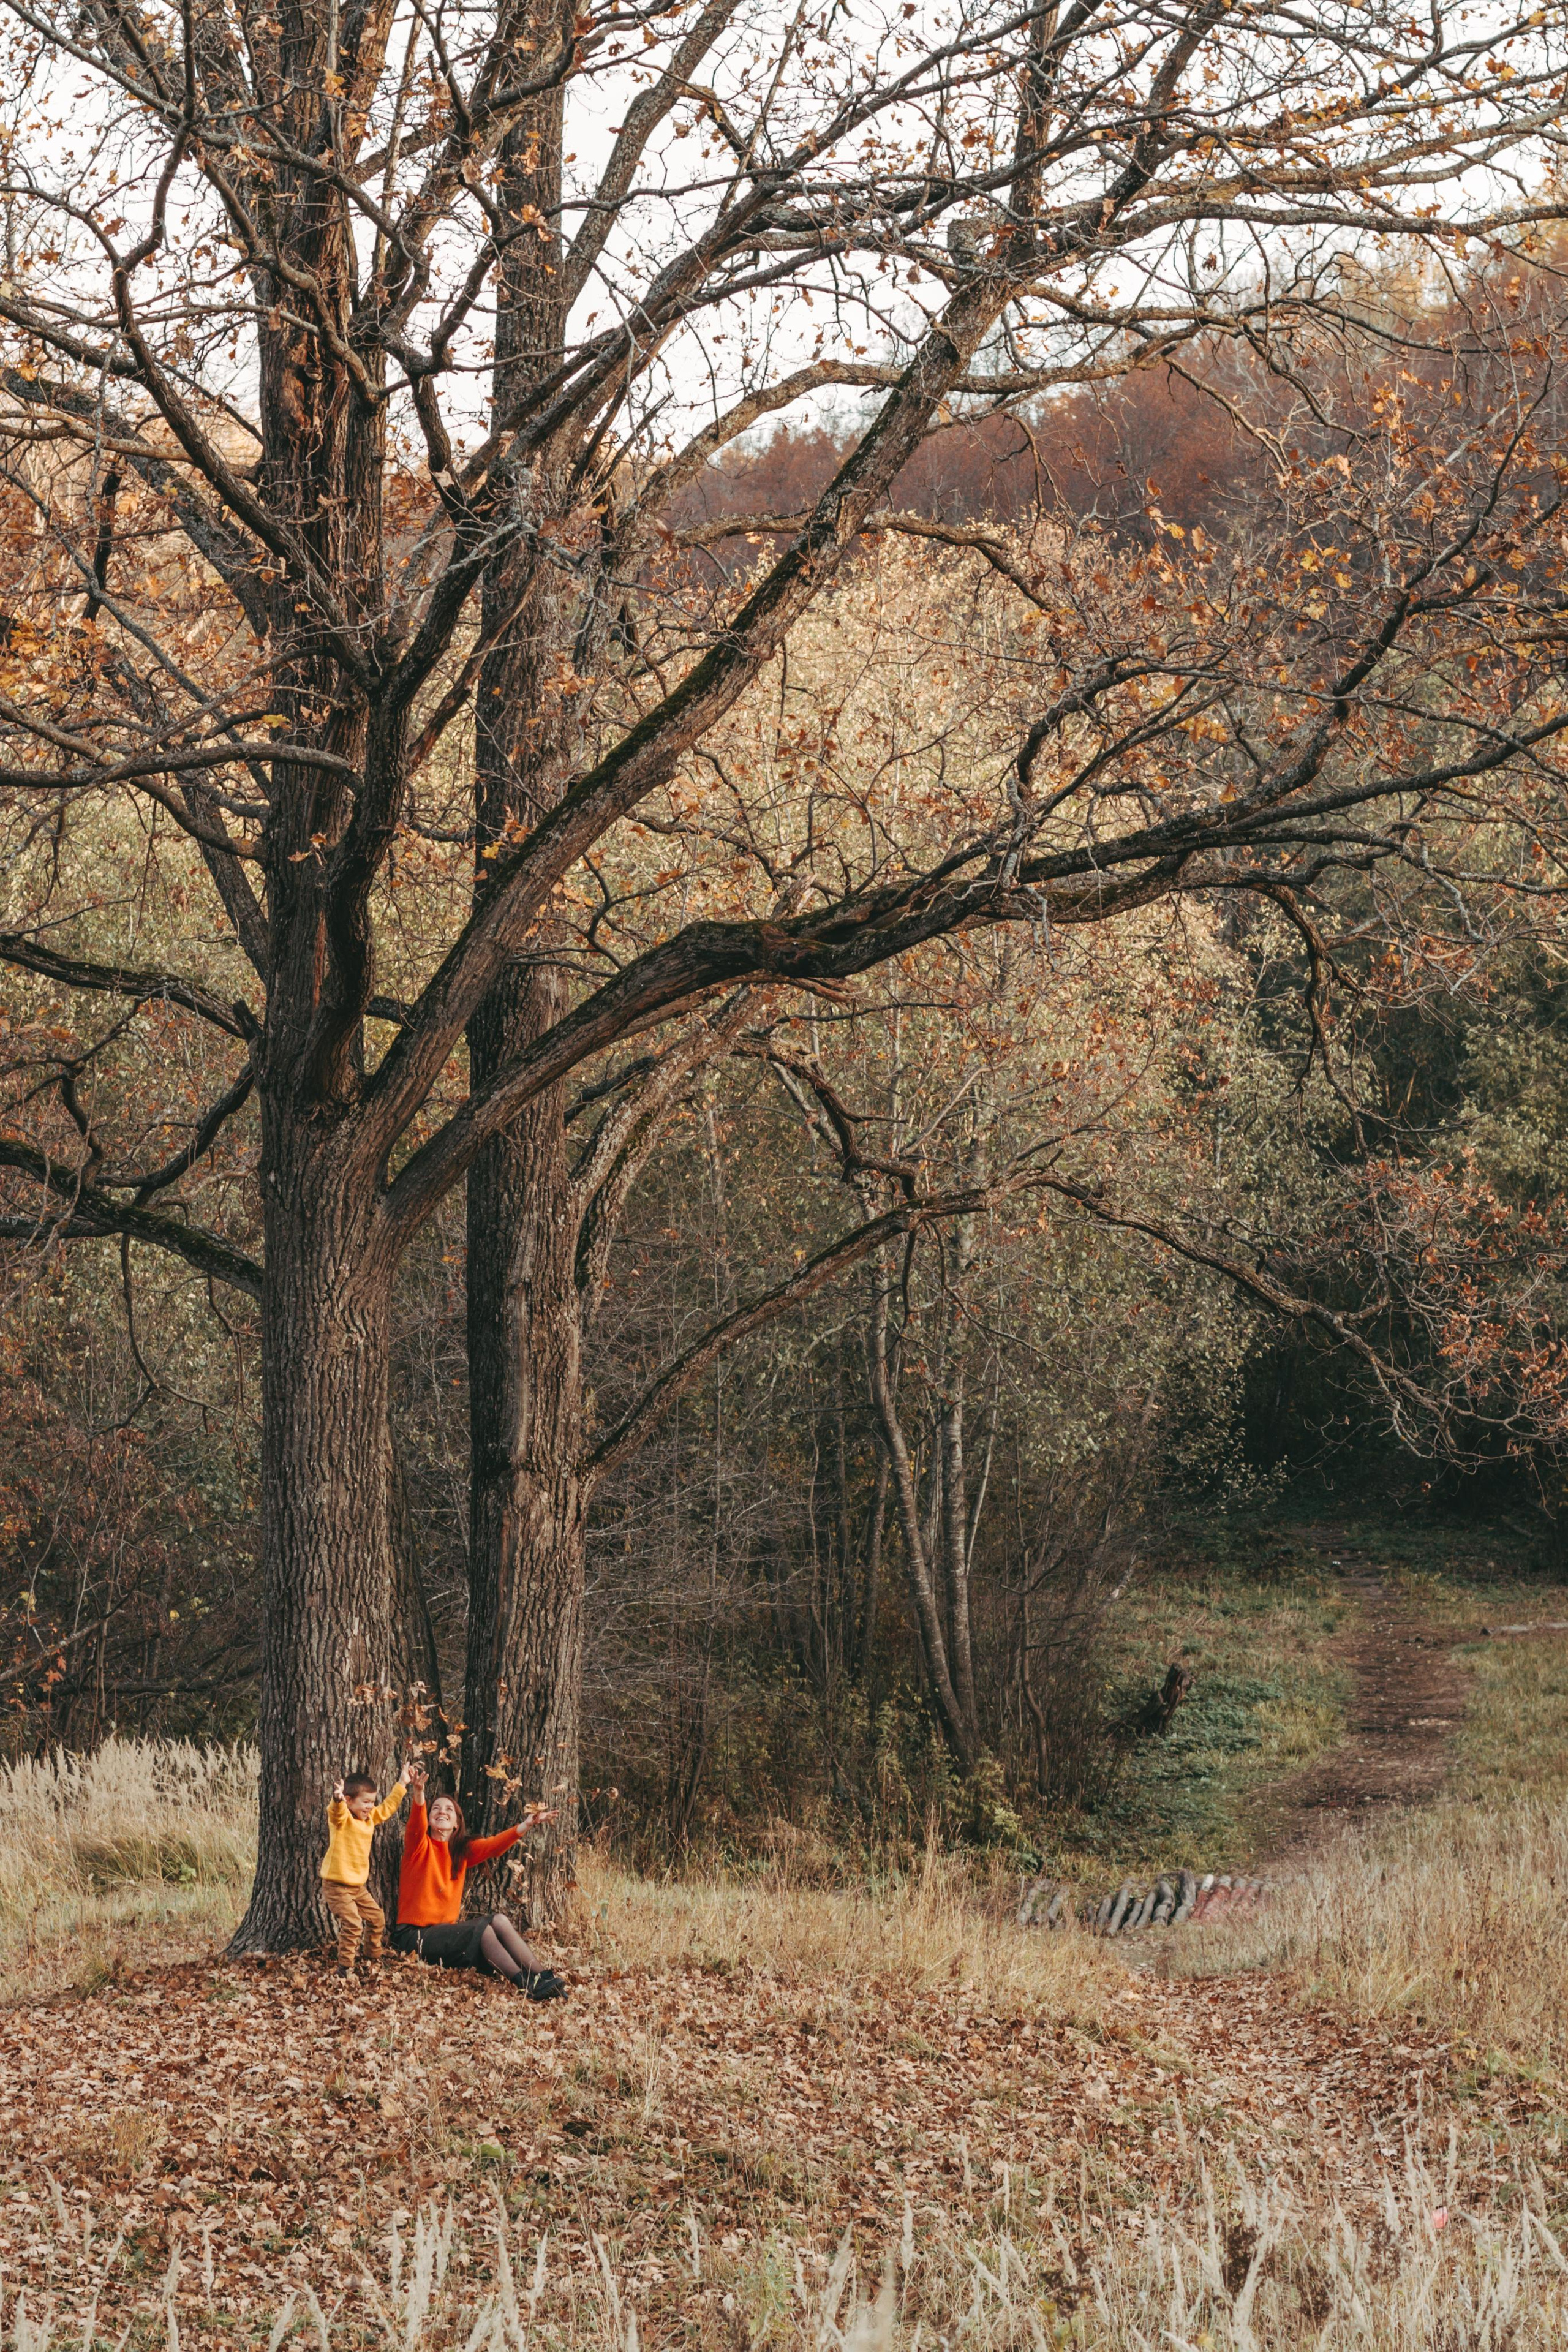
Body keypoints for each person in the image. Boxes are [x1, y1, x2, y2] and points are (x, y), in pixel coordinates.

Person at [392, 1760, 567, 1999]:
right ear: (429, 1818)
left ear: (456, 1824)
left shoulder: (461, 1852)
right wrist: (420, 1795)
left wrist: (526, 1825)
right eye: (436, 1809)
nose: (442, 1811)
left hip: (444, 1933)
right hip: (414, 1937)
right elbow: (415, 1825)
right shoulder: (418, 1847)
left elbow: (493, 1846)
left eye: (449, 1810)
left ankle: (540, 1976)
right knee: (482, 1930)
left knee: (499, 1920)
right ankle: (525, 1985)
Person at [321, 1763, 410, 1973]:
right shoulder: (342, 1820)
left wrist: (402, 1783)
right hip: (337, 1886)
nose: (370, 1806)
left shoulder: (369, 1819)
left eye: (372, 1801)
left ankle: (372, 1954)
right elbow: (336, 1813)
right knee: (353, 1924)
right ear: (350, 1801)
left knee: (377, 1918)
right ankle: (345, 1967)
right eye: (366, 1802)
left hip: (357, 1887)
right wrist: (337, 1800)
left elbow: (387, 1808)